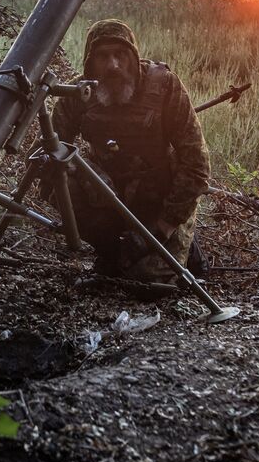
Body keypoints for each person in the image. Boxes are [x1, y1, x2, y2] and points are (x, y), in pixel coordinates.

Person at [52, 18, 211, 286]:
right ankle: (111, 248)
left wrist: (164, 227)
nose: (113, 65)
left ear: (134, 58)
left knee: (150, 284)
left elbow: (196, 165)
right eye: (103, 57)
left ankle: (184, 246)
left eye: (120, 56)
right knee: (60, 178)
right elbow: (46, 152)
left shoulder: (164, 87)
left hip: (161, 202)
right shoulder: (78, 93)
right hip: (110, 198)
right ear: (90, 63)